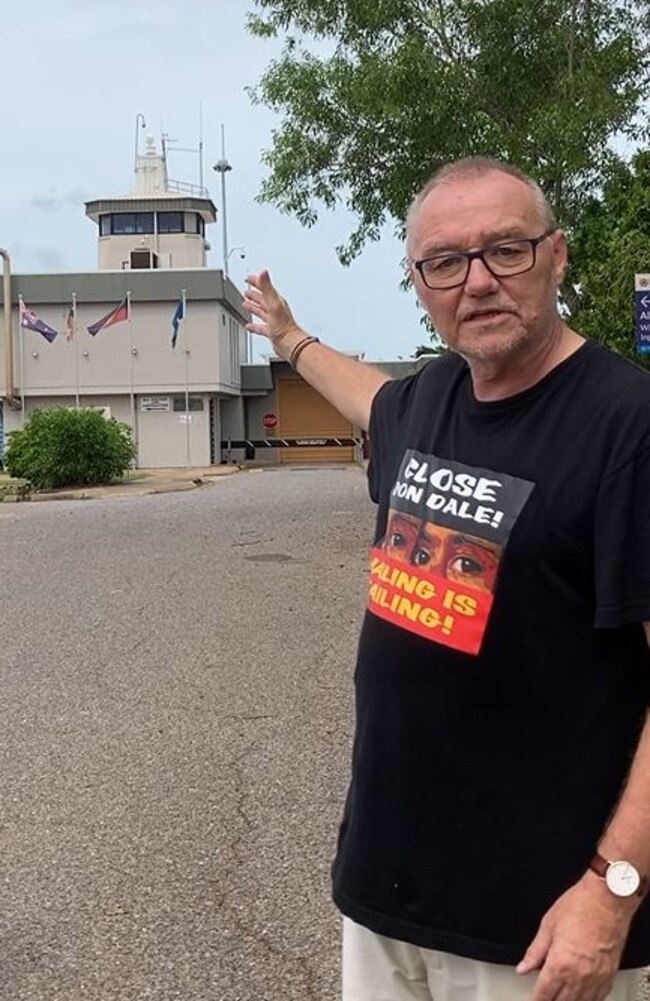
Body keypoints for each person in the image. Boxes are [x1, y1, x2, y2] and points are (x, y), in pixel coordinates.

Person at [243, 157, 650, 1001]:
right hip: (387, 894)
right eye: (445, 262)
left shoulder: (627, 425)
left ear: (557, 254)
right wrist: (288, 338)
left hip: (541, 929)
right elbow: (364, 394)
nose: (479, 281)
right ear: (418, 282)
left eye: (507, 249)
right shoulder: (427, 399)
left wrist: (613, 889)